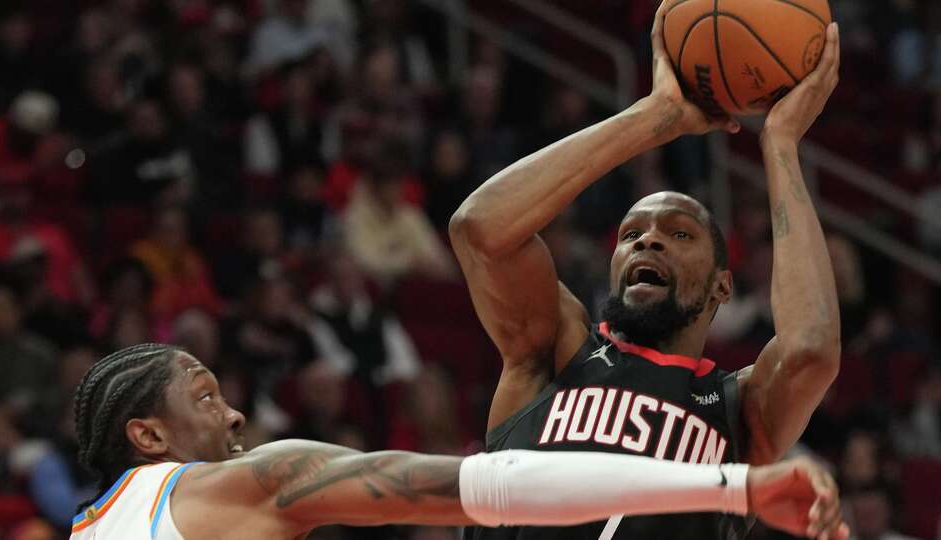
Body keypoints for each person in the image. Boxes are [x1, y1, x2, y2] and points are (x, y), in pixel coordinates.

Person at [449, 1, 843, 538]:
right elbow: (480, 229)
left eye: (678, 233)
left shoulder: (739, 410)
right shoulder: (552, 354)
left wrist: (779, 146)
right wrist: (653, 117)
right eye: (631, 234)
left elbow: (811, 349)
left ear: (721, 286)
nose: (649, 239)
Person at [68, 343, 848, 540]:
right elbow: (492, 486)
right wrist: (736, 486)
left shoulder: (82, 528)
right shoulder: (236, 486)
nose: (234, 416)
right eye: (206, 396)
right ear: (148, 434)